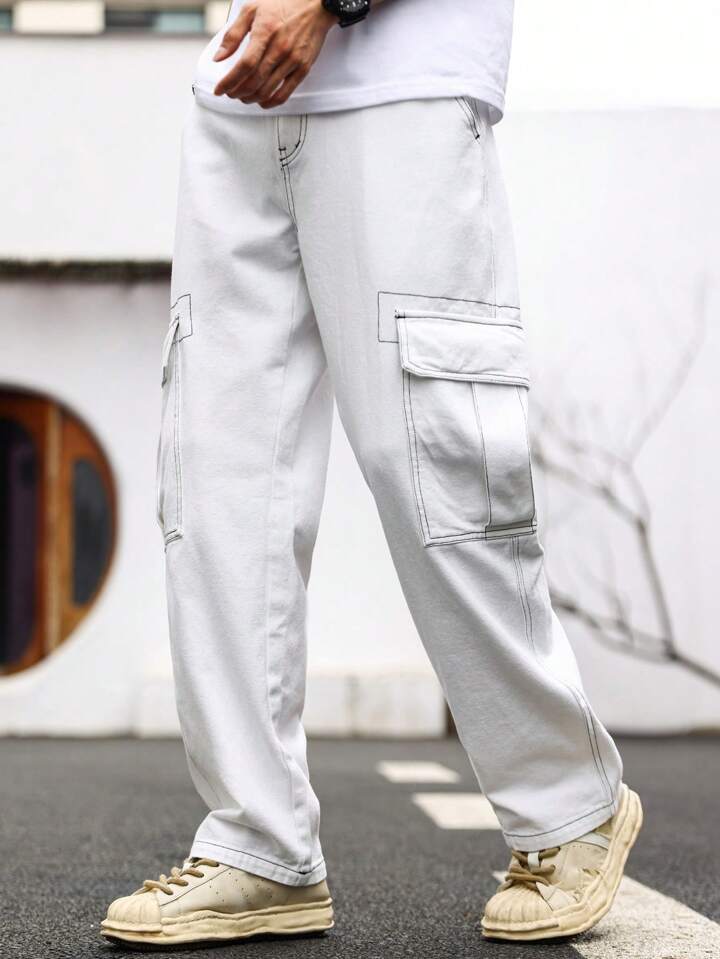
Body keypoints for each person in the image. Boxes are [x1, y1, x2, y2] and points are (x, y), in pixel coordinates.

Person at [101, 0, 642, 947]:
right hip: (237, 92)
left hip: (405, 84)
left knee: (433, 455)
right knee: (218, 479)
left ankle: (567, 806)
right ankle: (259, 840)